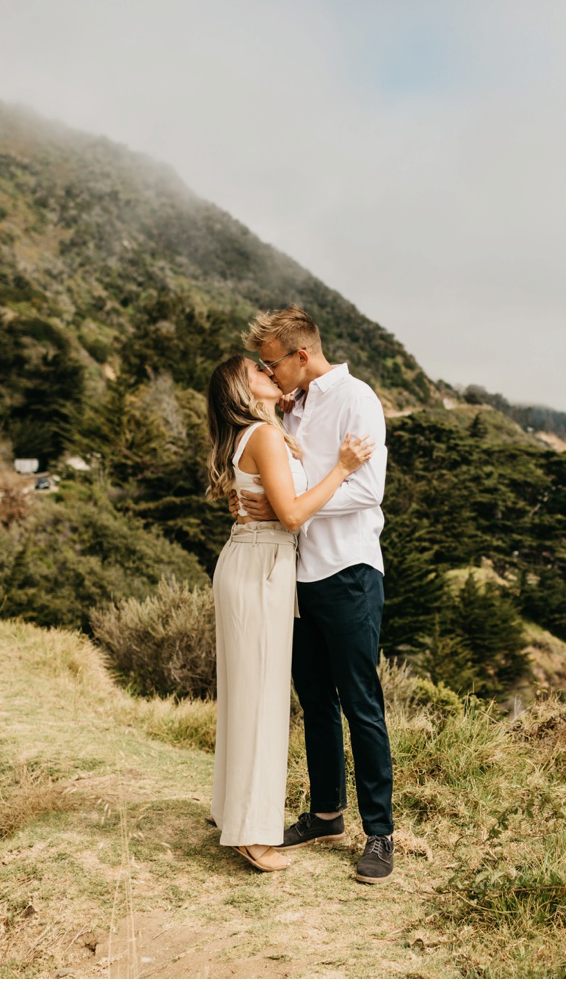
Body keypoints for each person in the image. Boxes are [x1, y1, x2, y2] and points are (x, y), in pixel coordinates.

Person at [234, 306, 395, 884]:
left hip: (349, 571)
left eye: (272, 362)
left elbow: (368, 489)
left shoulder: (357, 400)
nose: (268, 372)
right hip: (294, 580)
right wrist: (273, 506)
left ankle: (379, 834)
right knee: (316, 704)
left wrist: (289, 511)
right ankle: (326, 814)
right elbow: (285, 486)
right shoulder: (289, 406)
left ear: (302, 356)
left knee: (361, 703)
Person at [205, 354, 373, 873]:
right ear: (243, 387)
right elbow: (296, 513)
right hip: (261, 568)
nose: (270, 374)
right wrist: (343, 469)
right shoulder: (264, 435)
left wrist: (281, 506)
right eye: (260, 371)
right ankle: (253, 835)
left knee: (246, 695)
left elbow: (285, 506)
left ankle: (234, 814)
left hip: (253, 561)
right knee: (260, 700)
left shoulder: (253, 434)